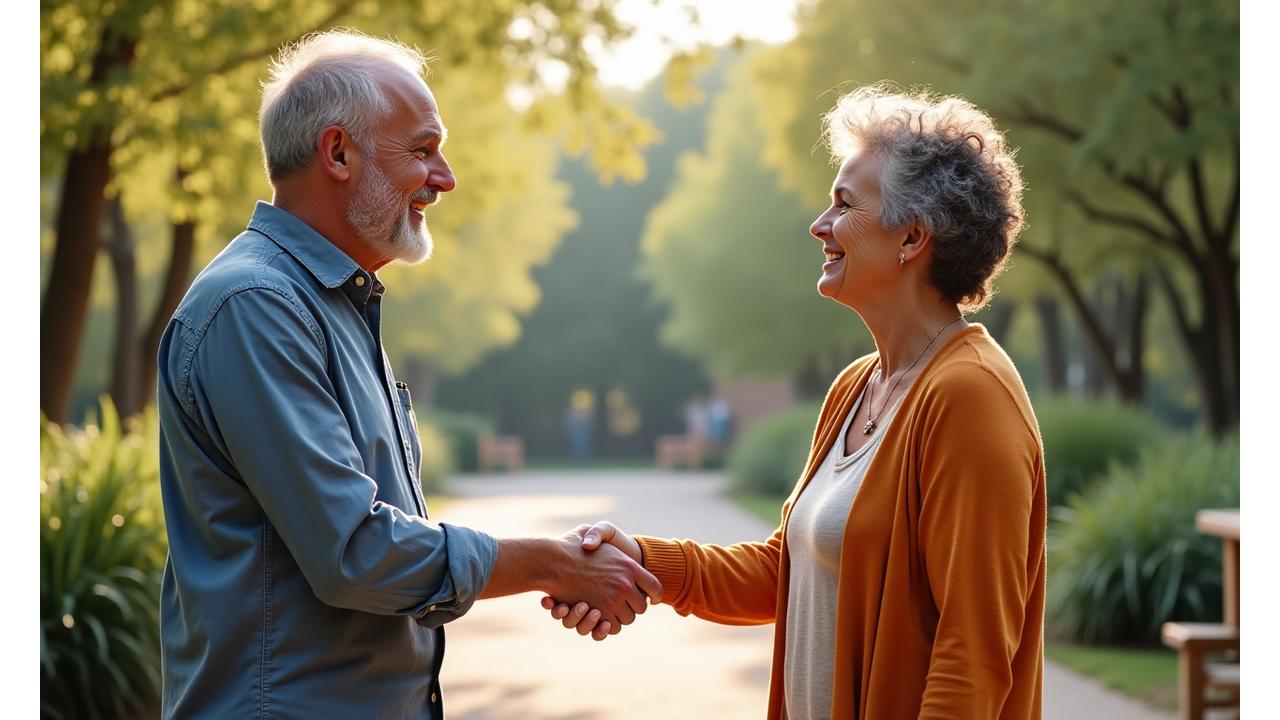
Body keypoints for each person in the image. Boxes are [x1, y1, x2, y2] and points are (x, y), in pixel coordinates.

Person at [155, 31, 659, 718]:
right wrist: (553, 563)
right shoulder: (257, 306)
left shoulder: (327, 304)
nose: (445, 179)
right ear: (338, 153)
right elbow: (355, 551)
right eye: (422, 151)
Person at [544, 84, 1046, 719]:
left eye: (844, 204)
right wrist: (644, 562)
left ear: (912, 237)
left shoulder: (970, 395)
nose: (819, 224)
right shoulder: (856, 386)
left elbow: (973, 651)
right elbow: (788, 573)